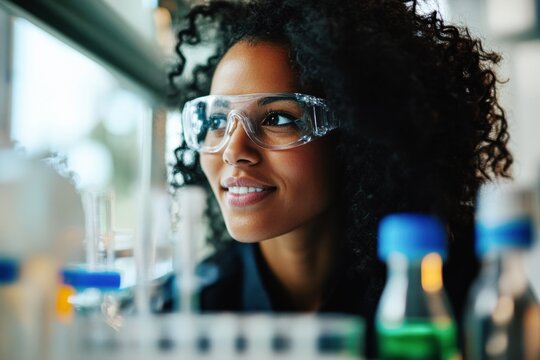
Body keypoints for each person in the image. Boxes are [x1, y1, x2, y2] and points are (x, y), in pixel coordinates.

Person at [169, 0, 512, 355]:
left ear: (357, 132)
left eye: (278, 119)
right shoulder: (183, 311)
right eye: (216, 121)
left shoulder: (455, 293)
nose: (232, 150)